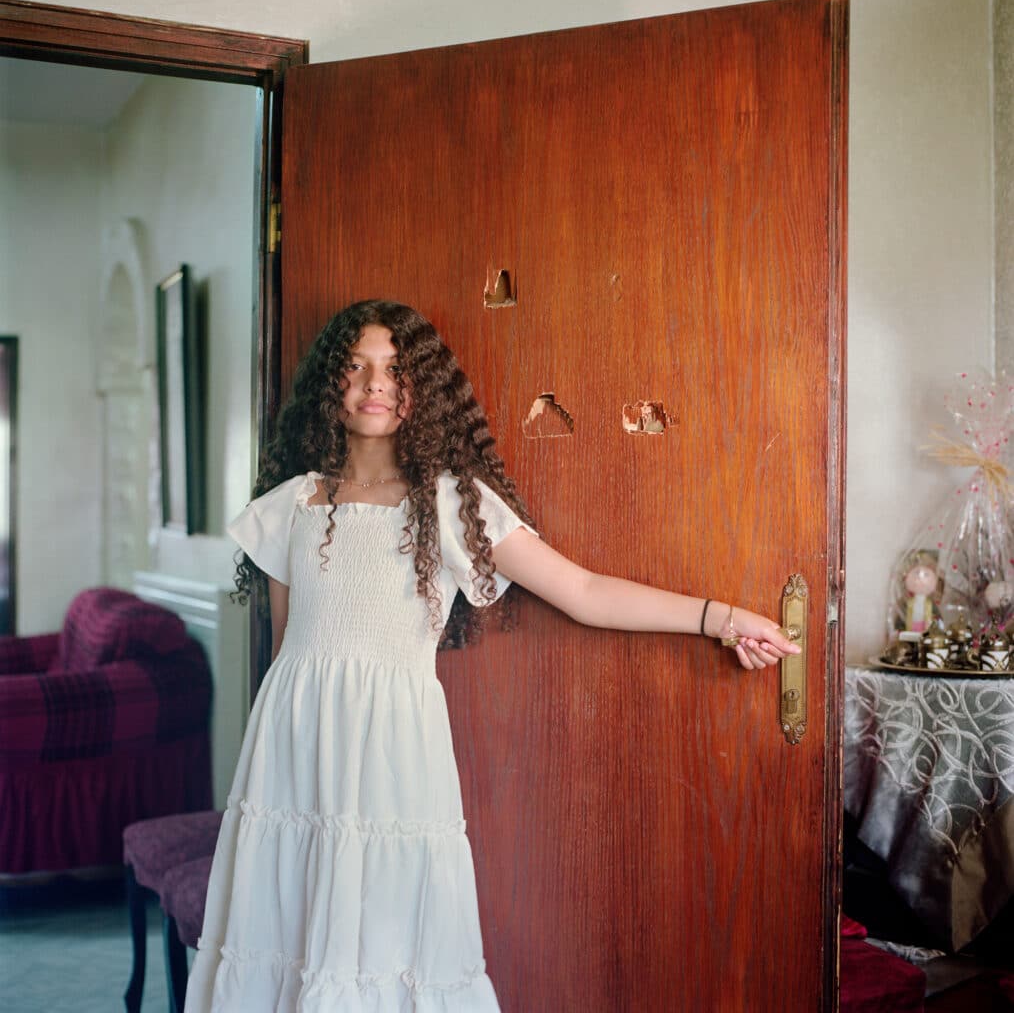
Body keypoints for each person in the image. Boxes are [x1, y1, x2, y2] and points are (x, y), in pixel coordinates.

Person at [184, 300, 799, 1012]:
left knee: (384, 934)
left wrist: (719, 619)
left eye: (394, 369)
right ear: (330, 383)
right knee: (288, 927)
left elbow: (585, 591)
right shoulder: (291, 505)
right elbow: (287, 650)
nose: (374, 384)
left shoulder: (450, 504)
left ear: (423, 390)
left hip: (391, 753)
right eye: (356, 367)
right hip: (292, 749)